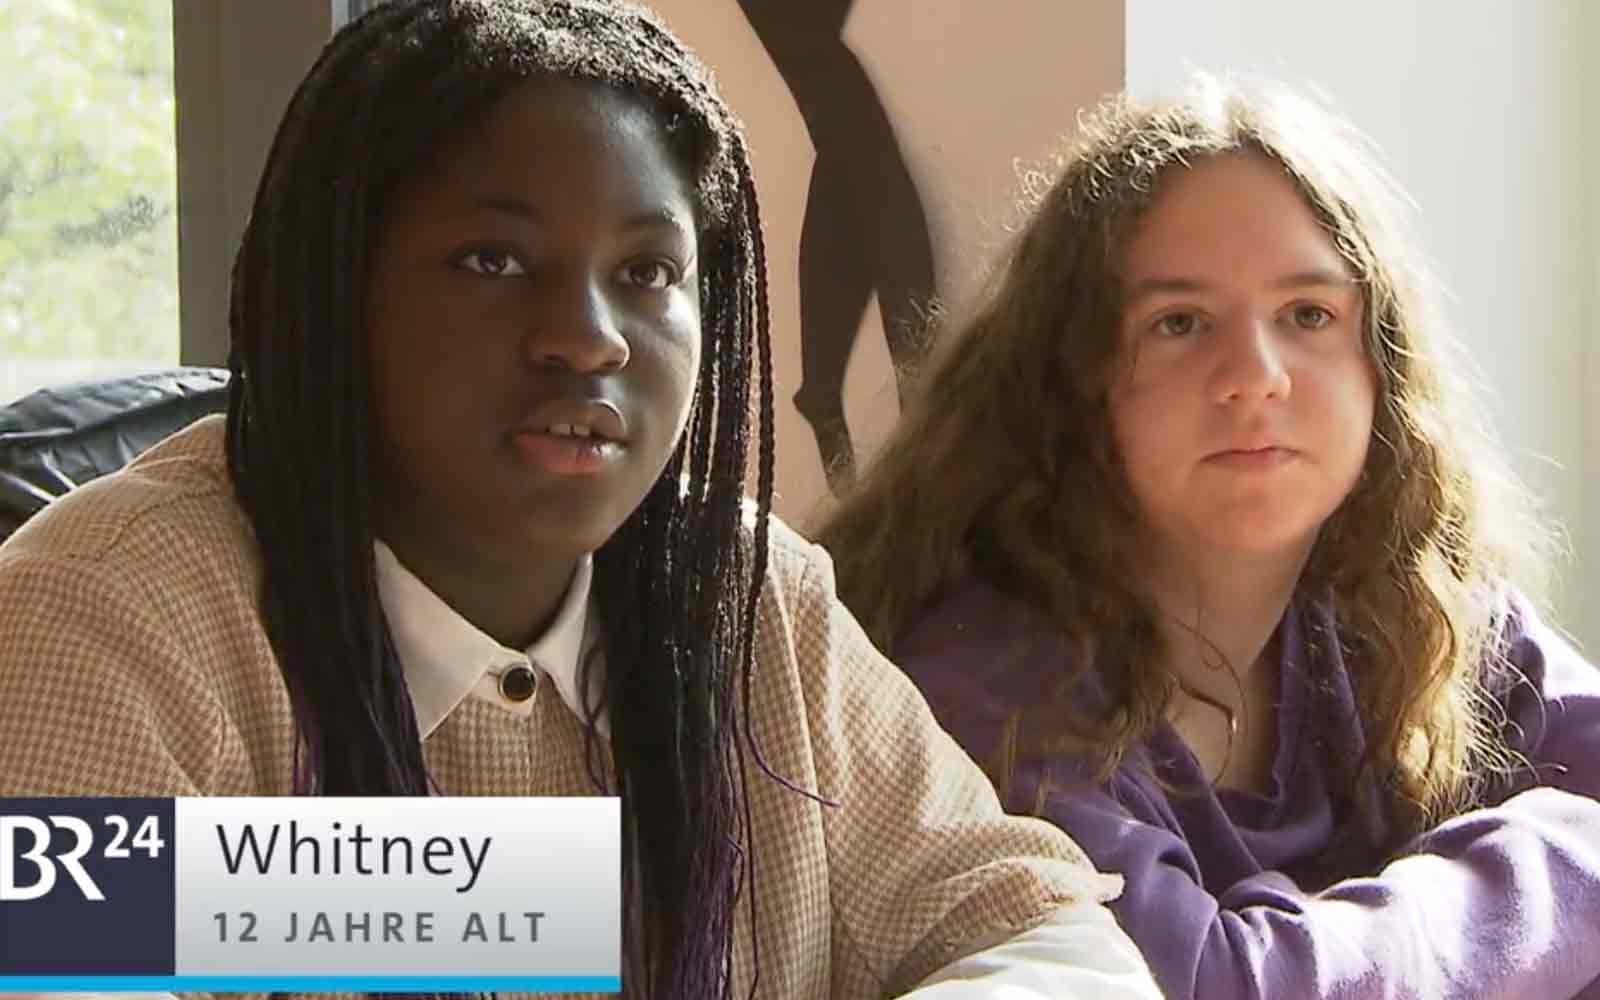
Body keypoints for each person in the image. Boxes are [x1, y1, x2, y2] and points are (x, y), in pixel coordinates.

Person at [0, 2, 1164, 998]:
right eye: (492, 261)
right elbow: (65, 932)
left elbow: (1040, 927)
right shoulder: (99, 622)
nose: (588, 337)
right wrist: (542, 900)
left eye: (647, 273)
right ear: (335, 292)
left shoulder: (751, 602)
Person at [818, 76, 1600, 999]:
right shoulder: (983, 684)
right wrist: (1562, 868)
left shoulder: (1410, 605)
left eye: (1308, 315)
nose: (1255, 375)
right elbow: (1201, 988)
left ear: (1381, 366)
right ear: (1070, 383)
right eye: (1179, 324)